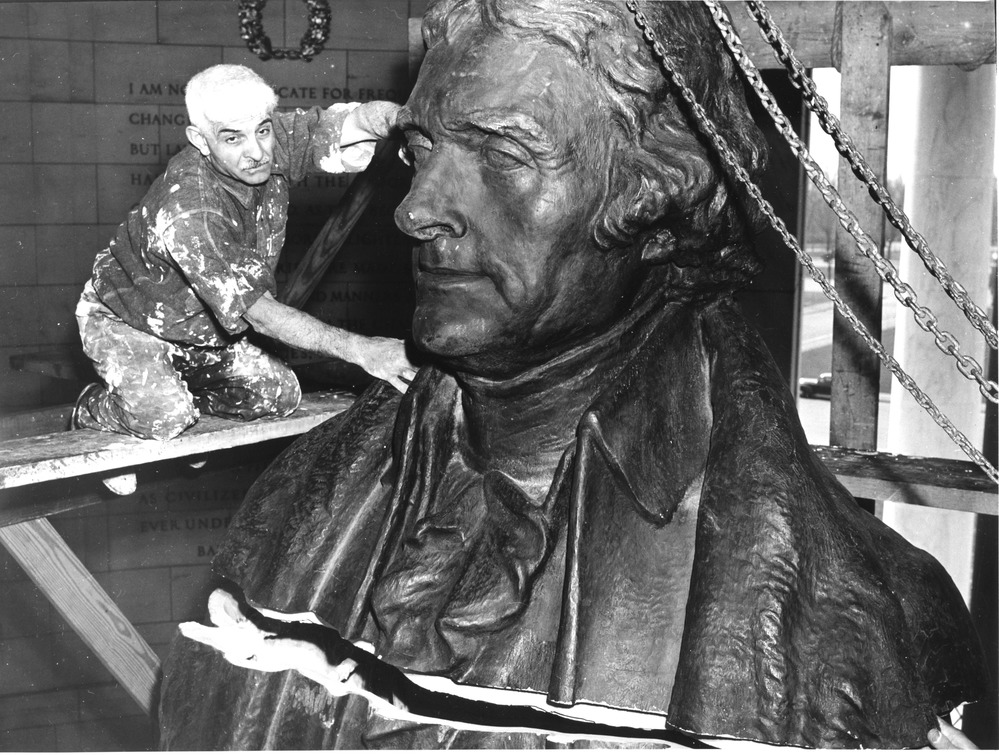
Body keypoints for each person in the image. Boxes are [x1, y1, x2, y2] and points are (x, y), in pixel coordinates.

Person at [159, 2, 988, 749]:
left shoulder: (858, 628)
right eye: (422, 150)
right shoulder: (295, 504)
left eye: (503, 153)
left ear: (655, 196)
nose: (415, 210)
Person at [74, 64, 416, 445]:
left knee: (278, 394)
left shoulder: (260, 138)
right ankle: (94, 410)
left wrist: (410, 123)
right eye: (232, 139)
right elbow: (263, 316)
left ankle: (177, 388)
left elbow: (361, 120)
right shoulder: (190, 211)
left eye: (263, 131)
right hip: (128, 321)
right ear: (200, 140)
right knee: (164, 417)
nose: (256, 153)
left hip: (200, 329)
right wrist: (366, 350)